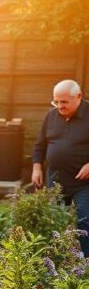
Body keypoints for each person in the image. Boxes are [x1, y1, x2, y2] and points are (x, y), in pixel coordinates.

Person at [31, 79, 89, 256]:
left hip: (84, 183)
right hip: (55, 179)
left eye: (64, 102)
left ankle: (86, 263)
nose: (59, 106)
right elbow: (40, 144)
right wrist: (37, 167)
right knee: (52, 221)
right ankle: (54, 261)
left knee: (84, 221)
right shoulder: (51, 115)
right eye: (56, 101)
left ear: (78, 96)